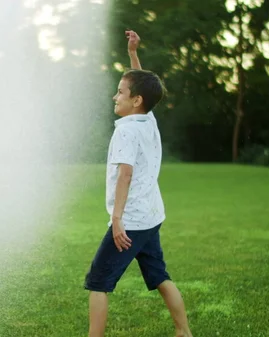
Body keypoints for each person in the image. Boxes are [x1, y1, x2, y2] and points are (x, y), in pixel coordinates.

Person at [83, 30, 193, 337]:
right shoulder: (147, 118)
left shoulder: (126, 131)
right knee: (159, 276)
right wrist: (133, 54)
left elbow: (125, 174)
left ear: (136, 101)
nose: (115, 96)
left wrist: (117, 220)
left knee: (98, 282)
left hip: (131, 223)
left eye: (120, 92)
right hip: (151, 217)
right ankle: (184, 333)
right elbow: (145, 86)